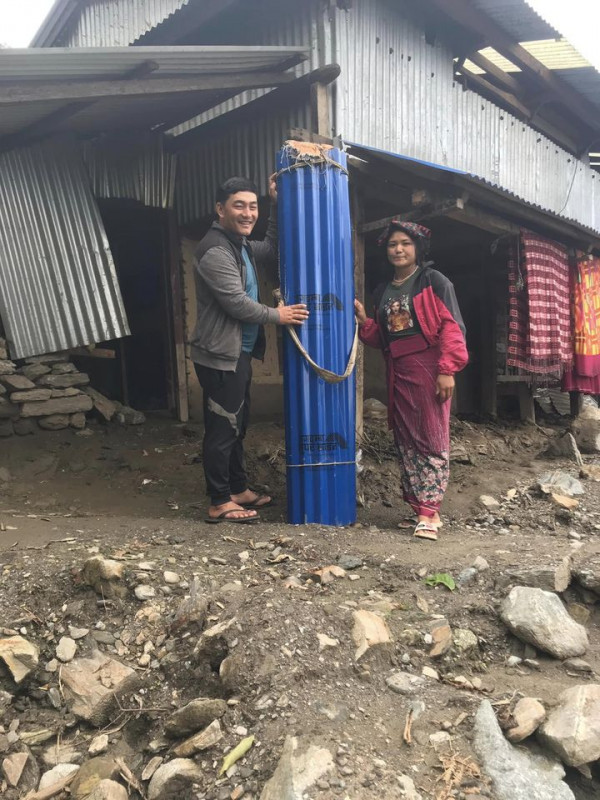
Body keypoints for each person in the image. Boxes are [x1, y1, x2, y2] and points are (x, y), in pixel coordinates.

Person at [191, 175, 309, 524]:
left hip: (237, 353)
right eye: (239, 206)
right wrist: (278, 315)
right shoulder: (215, 250)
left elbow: (270, 247)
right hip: (220, 356)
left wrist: (274, 205)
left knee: (236, 425)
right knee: (222, 427)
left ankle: (237, 488)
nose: (247, 213)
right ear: (220, 209)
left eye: (252, 207)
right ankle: (218, 501)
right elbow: (236, 304)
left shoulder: (239, 245)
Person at [354, 220, 468, 540]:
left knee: (430, 438)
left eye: (405, 243)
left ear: (418, 248)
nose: (399, 249)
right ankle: (422, 508)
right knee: (406, 440)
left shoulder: (433, 281)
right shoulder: (383, 290)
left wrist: (447, 370)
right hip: (398, 370)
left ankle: (428, 513)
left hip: (429, 367)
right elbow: (383, 338)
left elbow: (451, 327)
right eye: (393, 244)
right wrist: (364, 322)